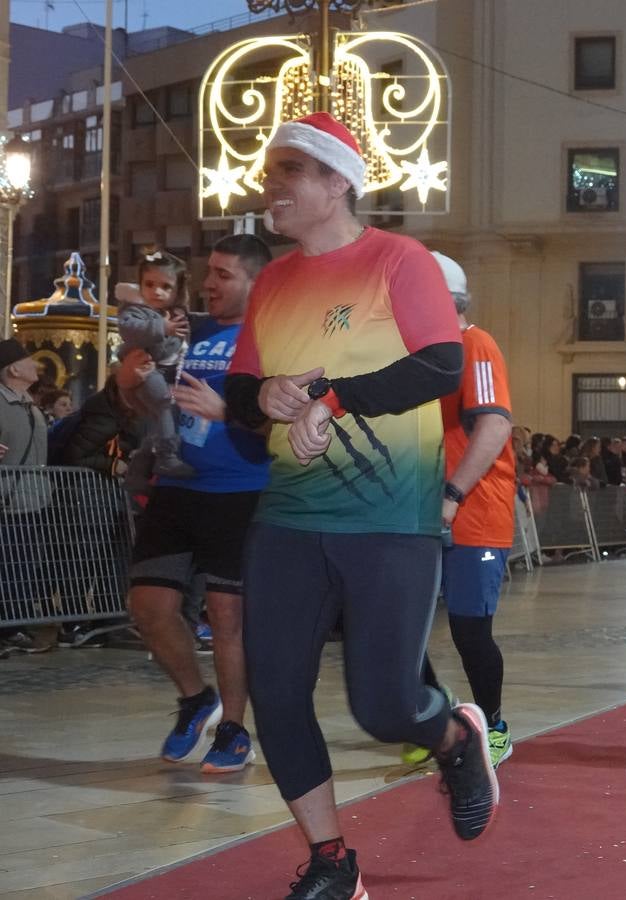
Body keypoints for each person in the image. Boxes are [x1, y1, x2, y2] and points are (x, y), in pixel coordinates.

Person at [212, 112, 497, 897]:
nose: (272, 187)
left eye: (289, 171)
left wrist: (330, 399)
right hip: (289, 521)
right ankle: (332, 861)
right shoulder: (270, 281)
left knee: (382, 705)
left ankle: (452, 736)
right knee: (275, 692)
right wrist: (261, 394)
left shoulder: (398, 261)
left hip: (389, 519)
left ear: (338, 182)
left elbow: (442, 364)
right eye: (270, 172)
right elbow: (242, 394)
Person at [113, 235, 274, 774]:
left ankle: (233, 728)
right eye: (209, 273)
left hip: (239, 492)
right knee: (148, 607)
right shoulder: (190, 331)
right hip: (176, 487)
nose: (209, 283)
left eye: (225, 275)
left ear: (255, 281)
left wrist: (225, 410)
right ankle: (194, 699)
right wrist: (130, 378)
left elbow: (288, 418)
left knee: (227, 618)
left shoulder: (268, 338)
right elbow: (139, 399)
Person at [414, 252, 517, 769]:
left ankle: (494, 726)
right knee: (398, 624)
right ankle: (432, 716)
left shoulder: (474, 345)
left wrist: (451, 496)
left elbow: (494, 426)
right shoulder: (426, 356)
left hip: (474, 513)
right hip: (422, 512)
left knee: (470, 631)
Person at [117, 250, 196, 485]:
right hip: (148, 371)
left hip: (164, 372)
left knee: (159, 423)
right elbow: (129, 328)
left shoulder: (174, 313)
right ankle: (167, 456)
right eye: (149, 284)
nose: (157, 292)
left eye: (165, 286)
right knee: (163, 404)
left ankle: (138, 473)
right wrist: (162, 327)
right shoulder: (136, 310)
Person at [0, 339, 55, 653]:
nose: (36, 365)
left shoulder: (30, 405)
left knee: (23, 568)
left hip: (33, 499)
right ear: (14, 368)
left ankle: (14, 626)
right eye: (29, 360)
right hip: (8, 500)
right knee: (7, 566)